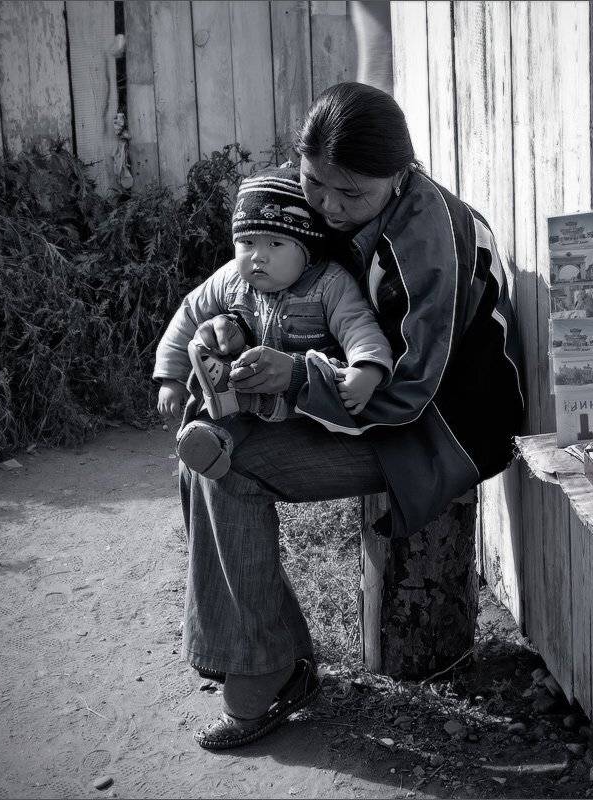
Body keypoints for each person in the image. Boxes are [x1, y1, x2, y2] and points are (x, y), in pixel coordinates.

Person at [170, 82, 524, 750]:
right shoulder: (334, 207)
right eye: (313, 183)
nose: (328, 207)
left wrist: (301, 377)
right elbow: (275, 294)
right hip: (370, 403)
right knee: (203, 444)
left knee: (224, 466)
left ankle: (265, 674)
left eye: (350, 194)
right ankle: (267, 658)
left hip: (440, 429)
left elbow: (412, 391)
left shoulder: (429, 241)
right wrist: (234, 334)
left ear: (402, 173)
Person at [154, 167, 393, 480]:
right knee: (219, 390)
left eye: (275, 244)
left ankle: (217, 437)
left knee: (321, 377)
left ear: (307, 251)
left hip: (304, 403)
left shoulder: (330, 284)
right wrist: (171, 377)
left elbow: (358, 327)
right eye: (248, 242)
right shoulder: (230, 279)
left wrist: (367, 369)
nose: (258, 257)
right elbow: (189, 313)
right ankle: (209, 440)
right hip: (245, 391)